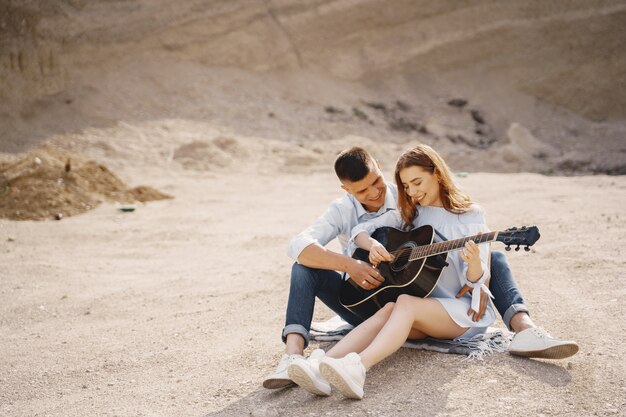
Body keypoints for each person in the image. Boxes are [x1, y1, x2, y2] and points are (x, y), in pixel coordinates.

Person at [262, 146, 578, 391]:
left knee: (481, 265)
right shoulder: (411, 213)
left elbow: (478, 282)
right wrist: (367, 247)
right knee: (390, 307)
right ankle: (318, 366)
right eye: (406, 185)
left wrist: (474, 263)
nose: (410, 191)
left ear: (437, 173)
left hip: (460, 309)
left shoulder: (468, 215)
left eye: (416, 183)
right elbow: (365, 228)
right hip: (412, 302)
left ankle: (357, 367)